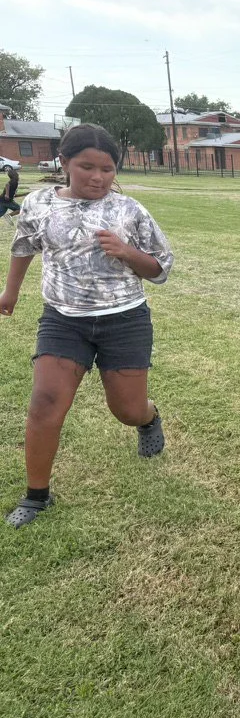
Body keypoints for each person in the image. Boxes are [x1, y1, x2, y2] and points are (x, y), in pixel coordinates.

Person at [0, 123, 174, 529]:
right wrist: (10, 292)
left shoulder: (129, 210)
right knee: (45, 403)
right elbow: (24, 246)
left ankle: (148, 419)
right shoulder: (39, 203)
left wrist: (127, 252)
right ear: (64, 163)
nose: (98, 177)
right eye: (87, 167)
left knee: (126, 410)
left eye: (107, 169)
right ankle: (37, 496)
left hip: (124, 320)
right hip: (62, 320)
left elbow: (160, 269)